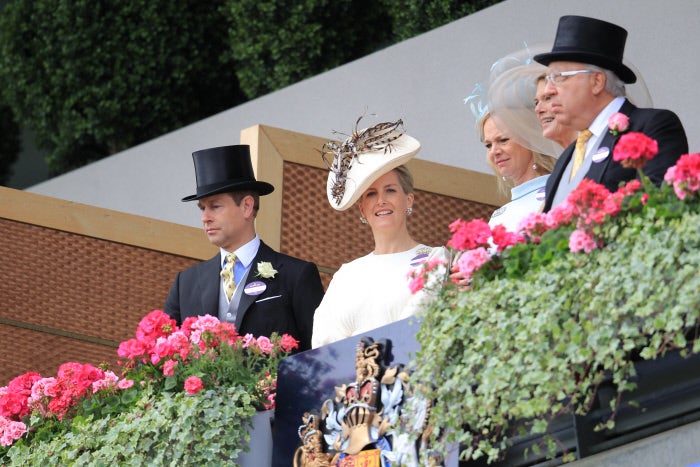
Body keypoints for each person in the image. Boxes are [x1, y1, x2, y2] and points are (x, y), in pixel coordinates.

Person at [164, 145, 325, 351]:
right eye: (202, 208)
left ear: (247, 206)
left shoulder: (297, 275)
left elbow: (320, 352)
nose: (205, 217)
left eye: (215, 206)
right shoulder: (185, 283)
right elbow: (165, 357)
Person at [311, 119, 445, 348]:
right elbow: (324, 343)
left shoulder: (435, 259)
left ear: (408, 200)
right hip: (348, 381)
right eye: (371, 194)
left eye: (390, 190)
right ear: (362, 209)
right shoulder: (346, 274)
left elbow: (416, 327)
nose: (381, 201)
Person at [534, 15, 688, 211]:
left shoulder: (651, 127)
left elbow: (658, 209)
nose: (548, 90)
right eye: (548, 79)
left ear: (597, 81)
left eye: (559, 77)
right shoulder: (567, 157)